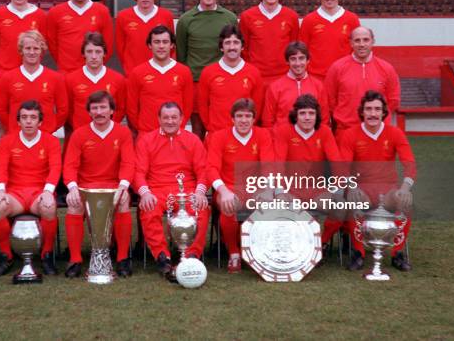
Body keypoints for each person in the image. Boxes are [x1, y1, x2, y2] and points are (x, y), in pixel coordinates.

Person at [340, 91, 415, 272]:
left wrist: (405, 188)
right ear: (362, 112)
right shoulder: (350, 134)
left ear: (383, 112)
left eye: (377, 109)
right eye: (369, 109)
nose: (373, 113)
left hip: (387, 189)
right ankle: (358, 253)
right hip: (362, 187)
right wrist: (351, 186)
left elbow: (409, 164)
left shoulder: (395, 133)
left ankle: (397, 254)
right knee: (353, 200)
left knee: (405, 202)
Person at [62, 91, 135, 278]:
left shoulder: (123, 132)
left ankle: (122, 259)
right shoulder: (79, 134)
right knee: (74, 203)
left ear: (112, 111)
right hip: (86, 186)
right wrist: (72, 188)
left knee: (124, 201)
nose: (99, 111)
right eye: (95, 108)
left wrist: (123, 186)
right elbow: (70, 166)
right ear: (89, 112)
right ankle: (75, 259)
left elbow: (128, 163)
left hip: (113, 186)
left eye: (103, 107)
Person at [135, 102, 210, 278]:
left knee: (202, 209)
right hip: (158, 189)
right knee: (148, 208)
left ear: (182, 119)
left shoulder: (192, 140)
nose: (170, 121)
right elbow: (138, 171)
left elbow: (203, 169)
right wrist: (145, 193)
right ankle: (163, 257)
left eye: (174, 117)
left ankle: (192, 255)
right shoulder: (146, 140)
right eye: (166, 117)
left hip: (188, 189)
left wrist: (200, 192)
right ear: (159, 119)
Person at [0, 100, 62, 276]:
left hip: (40, 191)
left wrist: (48, 191)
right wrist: (0, 191)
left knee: (49, 207)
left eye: (33, 117)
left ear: (40, 121)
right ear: (18, 121)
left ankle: (46, 255)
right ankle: (6, 255)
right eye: (24, 117)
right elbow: (0, 169)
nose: (28, 121)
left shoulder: (51, 142)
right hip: (15, 193)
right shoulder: (6, 142)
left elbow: (55, 168)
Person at [272, 94, 344, 262]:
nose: (307, 117)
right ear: (295, 115)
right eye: (303, 113)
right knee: (278, 209)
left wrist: (336, 190)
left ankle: (321, 244)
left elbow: (337, 163)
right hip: (291, 191)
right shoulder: (284, 131)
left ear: (317, 115)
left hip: (316, 191)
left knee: (340, 208)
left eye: (311, 113)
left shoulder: (324, 131)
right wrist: (280, 191)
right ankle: (292, 249)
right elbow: (278, 164)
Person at [206, 98, 274, 272]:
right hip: (228, 187)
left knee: (269, 204)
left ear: (253, 119)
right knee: (229, 204)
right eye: (239, 116)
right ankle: (234, 254)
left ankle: (258, 252)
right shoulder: (219, 136)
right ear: (232, 119)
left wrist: (267, 189)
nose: (244, 120)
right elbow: (212, 168)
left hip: (254, 188)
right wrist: (223, 191)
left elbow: (268, 164)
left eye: (248, 116)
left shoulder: (263, 135)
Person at [176, 0, 237, 138]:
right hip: (196, 82)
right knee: (198, 131)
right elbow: (181, 55)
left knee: (222, 130)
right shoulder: (186, 20)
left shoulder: (229, 18)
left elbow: (235, 50)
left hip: (222, 82)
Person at [325, 26, 400, 141]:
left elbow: (393, 100)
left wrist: (375, 119)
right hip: (346, 132)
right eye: (357, 40)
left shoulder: (387, 68)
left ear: (373, 41)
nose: (361, 44)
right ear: (351, 43)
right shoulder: (337, 68)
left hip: (377, 133)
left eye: (366, 40)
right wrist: (345, 117)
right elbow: (330, 100)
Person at [0, 30, 68, 135]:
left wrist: (50, 129)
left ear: (42, 51)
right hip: (17, 137)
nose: (32, 52)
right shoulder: (7, 78)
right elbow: (1, 110)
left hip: (45, 137)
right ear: (21, 50)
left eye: (36, 48)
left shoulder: (56, 78)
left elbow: (63, 110)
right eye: (28, 48)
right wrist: (14, 129)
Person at [126, 26, 193, 135]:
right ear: (150, 45)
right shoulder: (137, 72)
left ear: (172, 45)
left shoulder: (184, 72)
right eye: (157, 42)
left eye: (165, 42)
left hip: (175, 134)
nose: (161, 46)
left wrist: (178, 127)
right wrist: (142, 128)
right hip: (146, 134)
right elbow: (132, 108)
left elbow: (188, 106)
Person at [198, 24, 264, 134]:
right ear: (221, 47)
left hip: (243, 135)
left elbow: (257, 107)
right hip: (217, 135)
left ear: (242, 46)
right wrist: (210, 127)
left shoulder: (254, 73)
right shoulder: (208, 72)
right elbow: (203, 106)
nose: (232, 47)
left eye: (236, 42)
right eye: (227, 43)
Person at [238, 0, 299, 85]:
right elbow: (243, 49)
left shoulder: (291, 16)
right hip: (256, 77)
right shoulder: (247, 16)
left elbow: (294, 48)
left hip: (284, 78)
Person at [47, 0, 113, 74]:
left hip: (93, 72)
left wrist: (95, 65)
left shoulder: (102, 11)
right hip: (66, 73)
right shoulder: (55, 12)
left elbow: (108, 44)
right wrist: (64, 64)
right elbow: (52, 45)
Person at [299, 0, 360, 81]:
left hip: (344, 78)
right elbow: (303, 52)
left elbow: (356, 50)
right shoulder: (309, 20)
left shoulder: (352, 19)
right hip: (316, 80)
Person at [115, 0, 175, 75]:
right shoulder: (123, 16)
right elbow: (120, 49)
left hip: (159, 73)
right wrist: (129, 68)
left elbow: (171, 47)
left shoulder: (166, 15)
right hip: (132, 74)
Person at [64, 32, 126, 131]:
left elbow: (121, 109)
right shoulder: (70, 79)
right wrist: (80, 128)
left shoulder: (118, 79)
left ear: (104, 53)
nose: (93, 56)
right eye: (89, 51)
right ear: (83, 53)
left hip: (108, 134)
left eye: (98, 52)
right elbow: (68, 110)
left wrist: (107, 127)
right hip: (81, 136)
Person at [262, 41, 329, 130]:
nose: (298, 63)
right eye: (293, 59)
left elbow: (324, 120)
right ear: (287, 61)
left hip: (311, 140)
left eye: (301, 58)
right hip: (283, 141)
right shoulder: (275, 87)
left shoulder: (318, 86)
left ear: (308, 60)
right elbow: (268, 122)